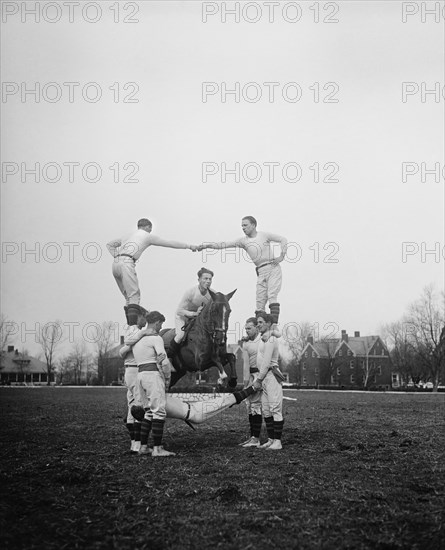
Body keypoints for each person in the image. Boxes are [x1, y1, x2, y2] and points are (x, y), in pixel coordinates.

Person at [198, 216, 287, 324]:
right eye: (242, 226)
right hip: (260, 271)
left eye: (245, 225)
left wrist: (282, 256)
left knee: (272, 295)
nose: (243, 228)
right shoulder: (243, 241)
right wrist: (207, 246)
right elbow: (225, 244)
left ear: (253, 225)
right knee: (260, 303)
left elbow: (283, 239)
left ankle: (273, 325)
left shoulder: (264, 235)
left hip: (273, 267)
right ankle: (260, 328)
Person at [107, 218, 198, 307]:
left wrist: (117, 256)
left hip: (115, 264)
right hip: (127, 263)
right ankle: (133, 321)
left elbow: (110, 245)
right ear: (147, 226)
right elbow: (169, 243)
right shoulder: (147, 236)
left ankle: (130, 317)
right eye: (150, 229)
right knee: (134, 296)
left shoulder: (127, 236)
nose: (150, 231)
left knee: (128, 298)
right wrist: (189, 246)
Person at [131, 311, 175, 457]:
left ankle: (143, 447)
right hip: (152, 376)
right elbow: (164, 360)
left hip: (140, 376)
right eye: (161, 324)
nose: (160, 327)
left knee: (149, 411)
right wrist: (168, 377)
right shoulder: (156, 338)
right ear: (156, 323)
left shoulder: (137, 340)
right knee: (159, 411)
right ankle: (157, 448)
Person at [130, 386, 258, 426]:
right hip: (196, 413)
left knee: (228, 399)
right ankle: (253, 388)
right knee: (228, 399)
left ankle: (241, 396)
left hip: (194, 408)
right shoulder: (154, 405)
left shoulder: (152, 404)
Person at [253, 312, 284, 450]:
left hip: (271, 376)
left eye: (260, 322)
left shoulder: (271, 339)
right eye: (257, 322)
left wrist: (258, 379)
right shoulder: (264, 338)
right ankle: (271, 439)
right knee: (266, 410)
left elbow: (266, 362)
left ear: (268, 324)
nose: (258, 325)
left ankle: (278, 441)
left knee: (275, 408)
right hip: (264, 377)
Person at [169, 267, 215, 360]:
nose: (208, 281)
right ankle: (169, 358)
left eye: (210, 279)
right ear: (199, 280)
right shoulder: (190, 292)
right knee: (180, 336)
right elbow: (179, 310)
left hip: (198, 319)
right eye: (205, 278)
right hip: (183, 317)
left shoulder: (213, 293)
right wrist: (194, 314)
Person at [121, 304, 148, 453]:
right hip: (135, 371)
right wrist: (144, 334)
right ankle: (137, 444)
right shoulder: (136, 331)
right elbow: (128, 344)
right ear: (139, 317)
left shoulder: (129, 329)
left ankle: (133, 443)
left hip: (128, 371)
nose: (145, 321)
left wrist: (123, 351)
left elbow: (124, 349)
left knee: (131, 406)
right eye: (144, 317)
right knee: (138, 406)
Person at [238, 317, 263, 448]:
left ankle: (257, 438)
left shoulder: (263, 339)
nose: (247, 331)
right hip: (252, 376)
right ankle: (253, 437)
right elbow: (246, 365)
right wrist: (245, 383)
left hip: (262, 375)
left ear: (256, 327)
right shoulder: (246, 344)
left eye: (249, 328)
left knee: (257, 406)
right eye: (246, 328)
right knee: (249, 406)